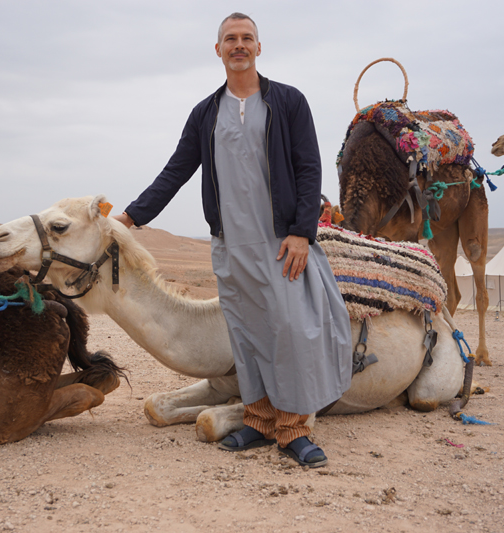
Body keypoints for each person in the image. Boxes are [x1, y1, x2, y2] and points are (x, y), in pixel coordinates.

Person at [112, 12, 352, 467]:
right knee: (245, 334)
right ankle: (258, 421)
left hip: (279, 242)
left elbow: (309, 167)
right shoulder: (205, 113)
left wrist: (302, 232)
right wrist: (129, 217)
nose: (238, 45)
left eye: (246, 38)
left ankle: (293, 427)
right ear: (218, 49)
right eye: (230, 39)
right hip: (229, 244)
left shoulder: (288, 102)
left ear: (259, 47)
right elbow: (176, 171)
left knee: (290, 332)